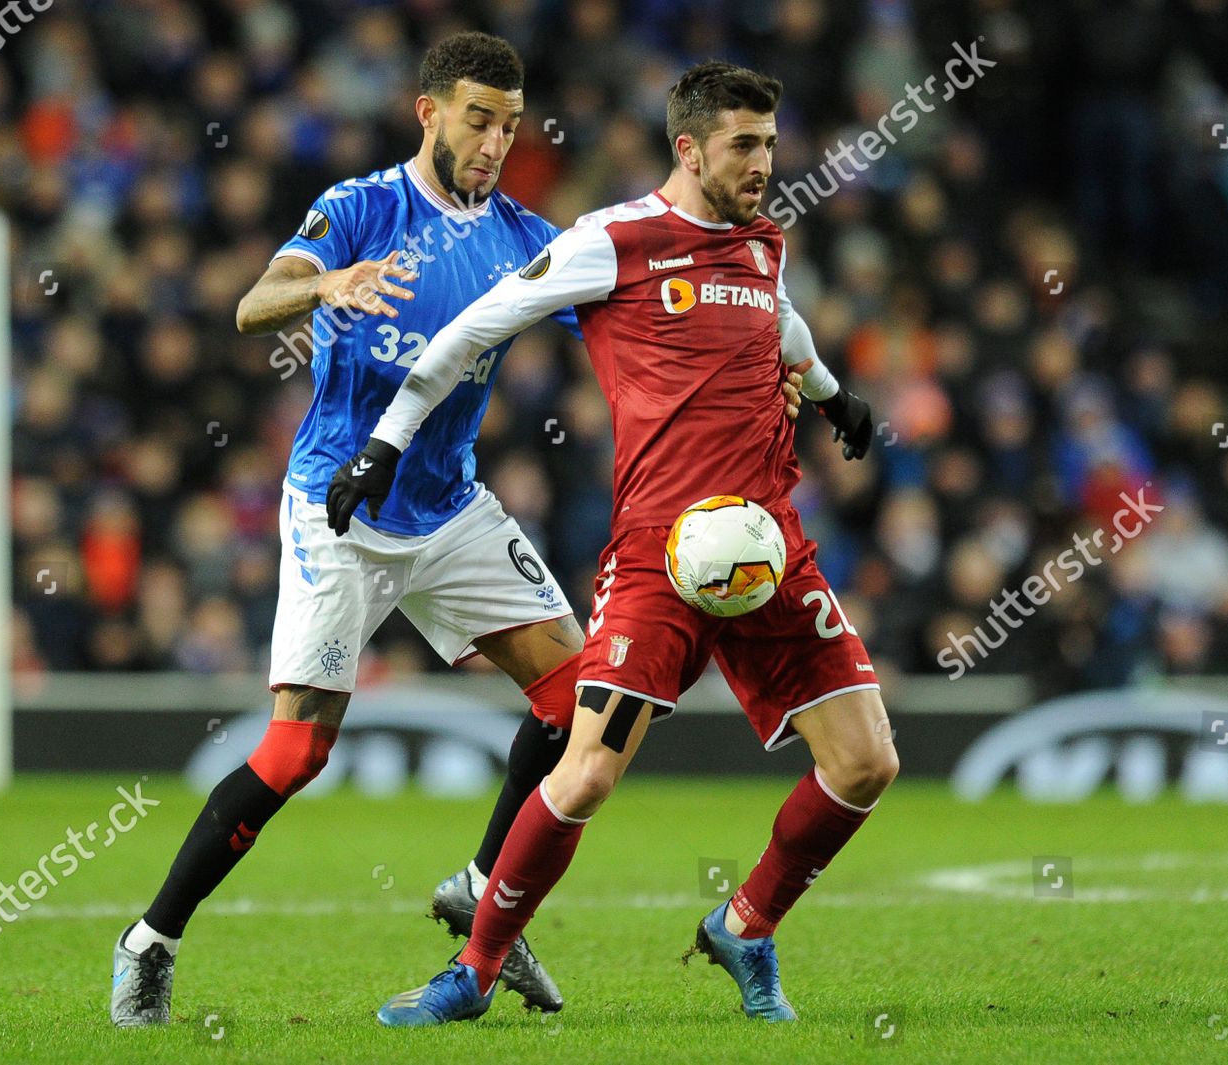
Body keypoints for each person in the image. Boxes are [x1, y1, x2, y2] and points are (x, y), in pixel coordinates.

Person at [110, 35, 805, 1027]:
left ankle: (483, 891)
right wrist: (326, 287)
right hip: (340, 506)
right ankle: (151, 941)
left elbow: (639, 317)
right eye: (478, 119)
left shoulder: (520, 233)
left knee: (587, 710)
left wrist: (758, 362)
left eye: (511, 125)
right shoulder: (359, 208)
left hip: (452, 508)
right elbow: (249, 304)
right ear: (428, 112)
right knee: (297, 754)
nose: (495, 142)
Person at [334, 60, 897, 1027]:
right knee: (586, 771)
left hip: (768, 546)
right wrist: (385, 446)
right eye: (744, 146)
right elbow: (472, 330)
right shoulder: (613, 241)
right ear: (688, 148)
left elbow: (782, 322)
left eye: (770, 143)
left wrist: (835, 393)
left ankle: (747, 924)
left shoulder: (765, 245)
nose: (765, 163)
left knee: (866, 763)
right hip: (656, 554)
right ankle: (473, 969)